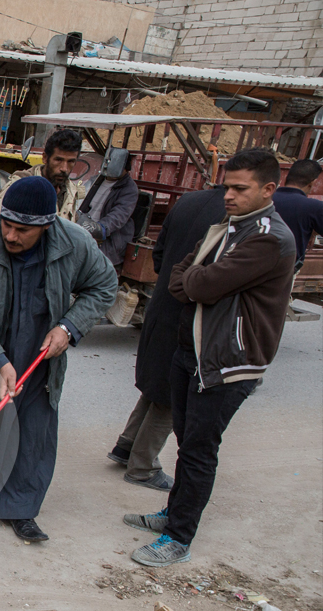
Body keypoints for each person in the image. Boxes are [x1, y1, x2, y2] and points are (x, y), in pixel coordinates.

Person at [126, 149, 297, 567]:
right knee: (187, 444)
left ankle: (178, 537)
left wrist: (195, 280)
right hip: (192, 353)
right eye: (227, 187)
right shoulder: (229, 226)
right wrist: (195, 280)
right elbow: (180, 275)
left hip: (226, 362)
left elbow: (199, 285)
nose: (229, 196)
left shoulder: (269, 238)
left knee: (200, 451)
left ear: (268, 189)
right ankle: (173, 514)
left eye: (240, 189)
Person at [0, 176, 116, 545]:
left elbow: (104, 286)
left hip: (41, 357)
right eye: (7, 224)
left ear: (46, 226)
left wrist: (69, 327)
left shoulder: (74, 243)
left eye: (22, 230)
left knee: (33, 433)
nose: (10, 235)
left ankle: (20, 509)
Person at [108, 186, 225, 492]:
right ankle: (143, 466)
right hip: (192, 312)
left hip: (163, 302)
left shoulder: (190, 200)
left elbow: (159, 256)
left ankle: (127, 445)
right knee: (173, 393)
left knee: (158, 385)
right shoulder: (234, 217)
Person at [0, 129, 85, 225]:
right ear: (45, 158)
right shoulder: (21, 186)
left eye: (71, 161)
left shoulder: (70, 190)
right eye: (58, 160)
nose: (64, 168)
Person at [75, 148, 139, 270]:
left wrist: (100, 228)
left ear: (125, 168)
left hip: (107, 240)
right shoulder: (96, 179)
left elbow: (118, 216)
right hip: (84, 229)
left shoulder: (129, 189)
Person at [271, 158, 323, 271]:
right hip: (284, 271)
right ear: (312, 183)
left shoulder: (264, 199)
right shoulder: (314, 207)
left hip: (253, 266)